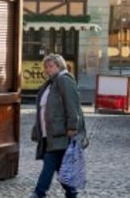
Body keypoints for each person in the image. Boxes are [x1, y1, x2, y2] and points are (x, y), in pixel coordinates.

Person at [31, 53, 84, 197]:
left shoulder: (64, 80)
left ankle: (39, 193)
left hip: (60, 132)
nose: (48, 69)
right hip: (49, 132)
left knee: (49, 162)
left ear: (59, 66)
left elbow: (72, 105)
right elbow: (43, 109)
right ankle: (71, 192)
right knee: (59, 166)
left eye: (51, 66)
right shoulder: (51, 83)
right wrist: (37, 129)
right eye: (46, 67)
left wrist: (72, 127)